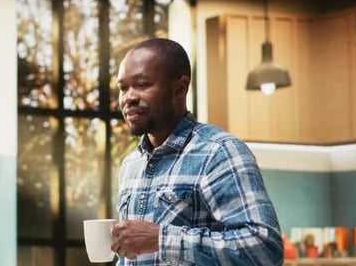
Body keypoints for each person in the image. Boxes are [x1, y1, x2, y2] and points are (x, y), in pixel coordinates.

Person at [111, 38, 283, 265]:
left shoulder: (219, 152)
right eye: (123, 88)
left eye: (142, 84)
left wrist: (161, 239)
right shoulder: (131, 165)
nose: (129, 97)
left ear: (179, 88)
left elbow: (265, 249)